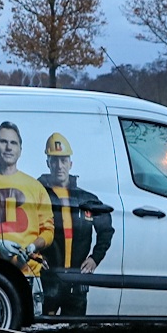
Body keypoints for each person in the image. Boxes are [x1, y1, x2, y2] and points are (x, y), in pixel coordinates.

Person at [38, 132, 115, 316]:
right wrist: (35, 256)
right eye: (54, 160)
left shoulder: (86, 198)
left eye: (63, 160)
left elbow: (106, 229)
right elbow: (26, 229)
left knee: (75, 330)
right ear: (48, 163)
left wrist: (95, 257)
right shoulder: (37, 194)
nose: (59, 166)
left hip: (77, 279)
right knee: (42, 328)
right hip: (48, 278)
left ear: (70, 164)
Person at [0, 120, 53, 274]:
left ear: (20, 149)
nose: (8, 147)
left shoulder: (36, 187)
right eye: (3, 142)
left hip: (30, 273)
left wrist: (33, 247)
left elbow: (48, 230)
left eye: (13, 143)